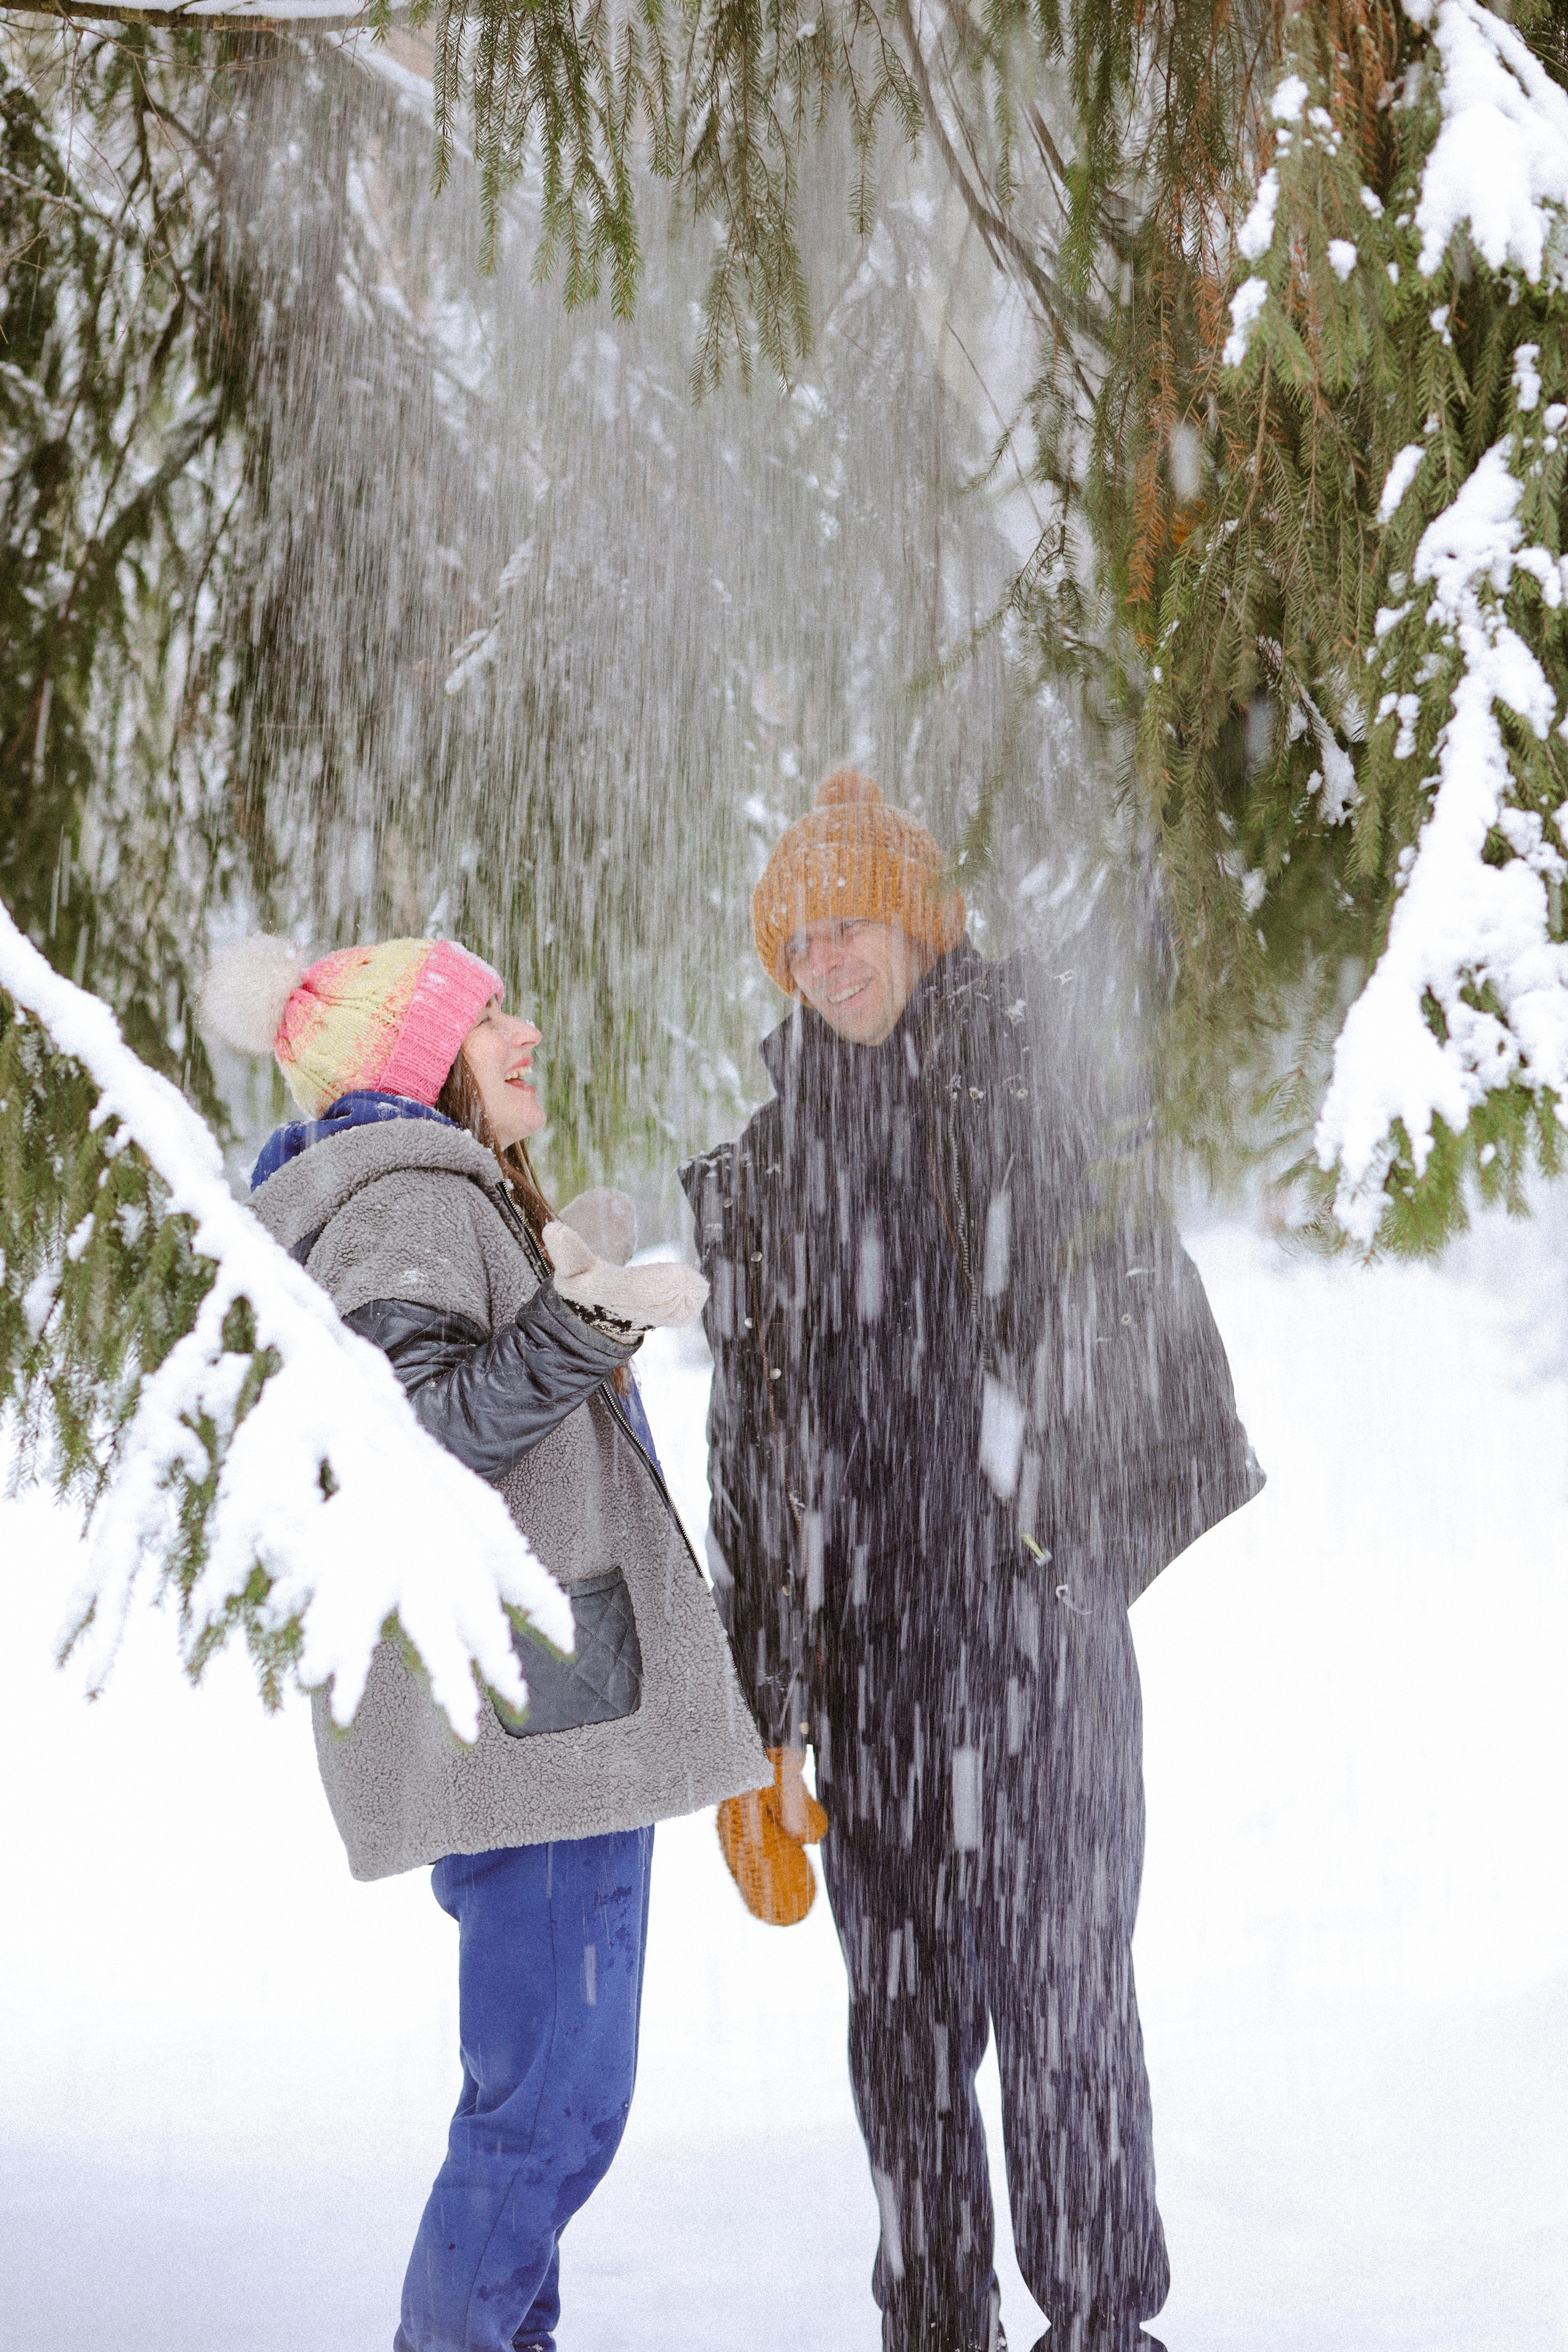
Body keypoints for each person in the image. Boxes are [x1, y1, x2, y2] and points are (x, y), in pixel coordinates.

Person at [681, 772, 1263, 2352]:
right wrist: (761, 1712)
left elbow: (1157, 1334)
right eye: (794, 937)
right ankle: (934, 2328)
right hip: (866, 1678)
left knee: (1065, 2028)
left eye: (848, 922)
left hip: (1029, 1668)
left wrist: (1064, 1561)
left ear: (921, 929)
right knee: (902, 2045)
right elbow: (750, 1454)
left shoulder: (1030, 1095)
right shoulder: (759, 1172)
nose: (822, 957)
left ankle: (1097, 2329)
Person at [203, 932, 769, 2352]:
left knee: (549, 2108)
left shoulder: (441, 1191)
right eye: (485, 1017)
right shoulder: (401, 1195)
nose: (523, 1033)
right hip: (541, 1729)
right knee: (549, 2113)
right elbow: (419, 1439)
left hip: (551, 1712)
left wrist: (567, 1307)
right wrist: (577, 1328)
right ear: (418, 1062)